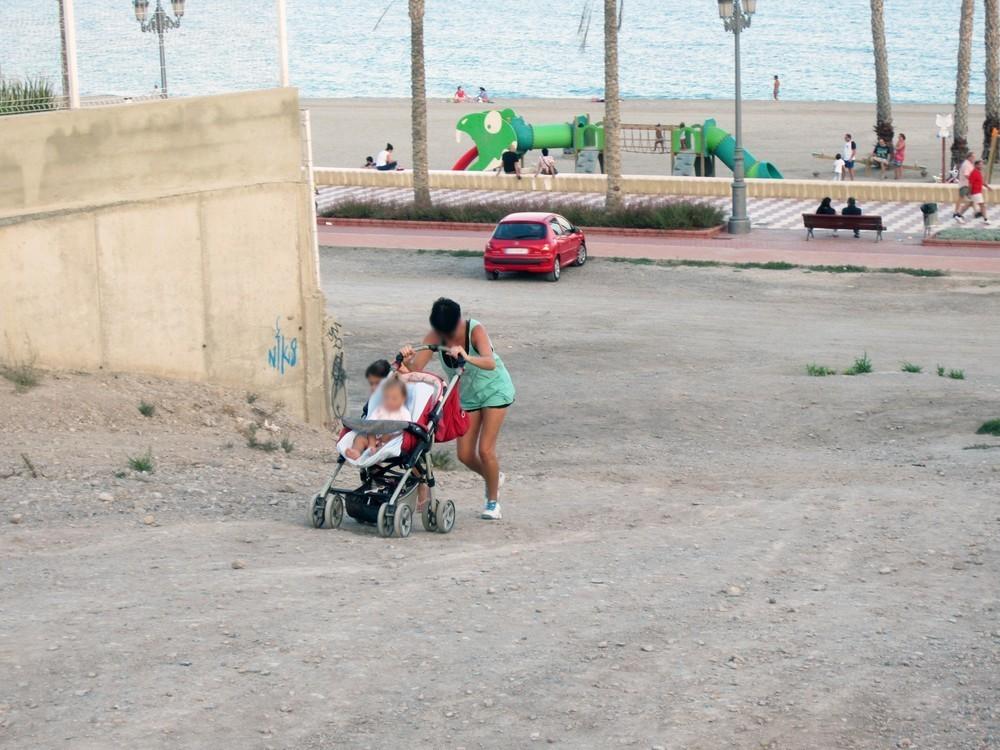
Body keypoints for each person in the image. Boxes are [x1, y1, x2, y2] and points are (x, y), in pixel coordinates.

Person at [400, 298, 515, 521]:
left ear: (459, 321)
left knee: (485, 450)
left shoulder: (475, 330)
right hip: (468, 397)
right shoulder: (435, 336)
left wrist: (466, 356)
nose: (448, 338)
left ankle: (492, 502)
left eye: (450, 333)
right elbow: (415, 370)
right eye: (442, 333)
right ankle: (493, 476)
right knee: (464, 455)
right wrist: (406, 359)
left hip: (495, 390)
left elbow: (490, 362)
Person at [345, 379, 410, 460]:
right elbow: (370, 424)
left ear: (403, 399)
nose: (389, 401)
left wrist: (390, 437)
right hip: (374, 438)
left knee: (394, 436)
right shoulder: (380, 409)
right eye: (386, 397)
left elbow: (407, 428)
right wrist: (372, 443)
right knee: (360, 437)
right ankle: (356, 451)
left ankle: (376, 450)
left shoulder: (404, 413)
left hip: (390, 442)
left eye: (394, 398)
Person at [957, 159, 991, 224]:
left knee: (969, 204)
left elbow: (981, 182)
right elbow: (970, 184)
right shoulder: (974, 173)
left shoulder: (979, 172)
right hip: (975, 192)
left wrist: (988, 187)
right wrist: (969, 193)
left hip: (977, 192)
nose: (982, 166)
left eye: (982, 165)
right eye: (980, 165)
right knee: (982, 205)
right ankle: (986, 219)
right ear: (976, 165)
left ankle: (958, 215)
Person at [953, 151, 976, 222]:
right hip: (965, 185)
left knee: (970, 199)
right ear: (969, 157)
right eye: (973, 157)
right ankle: (956, 213)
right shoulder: (966, 165)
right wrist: (972, 180)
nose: (974, 158)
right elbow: (966, 175)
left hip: (967, 185)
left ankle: (977, 212)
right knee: (962, 199)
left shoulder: (969, 164)